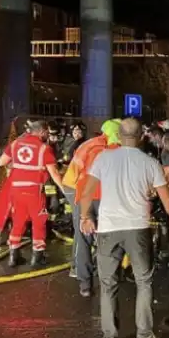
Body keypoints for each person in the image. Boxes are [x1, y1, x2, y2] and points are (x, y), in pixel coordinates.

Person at [79, 118, 169, 338]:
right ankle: (144, 336)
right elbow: (166, 198)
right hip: (137, 228)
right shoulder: (149, 162)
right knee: (143, 282)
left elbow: (87, 193)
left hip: (108, 228)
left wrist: (85, 217)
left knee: (108, 284)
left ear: (118, 134)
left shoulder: (104, 158)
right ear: (141, 137)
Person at [61, 119, 121, 297]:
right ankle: (108, 280)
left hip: (85, 196)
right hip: (108, 200)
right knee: (110, 239)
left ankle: (85, 284)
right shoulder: (122, 150)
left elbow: (73, 175)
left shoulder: (87, 146)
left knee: (83, 239)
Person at [0, 120, 64, 267]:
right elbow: (54, 173)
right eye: (47, 132)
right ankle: (37, 258)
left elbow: (1, 162)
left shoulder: (15, 144)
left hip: (16, 191)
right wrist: (65, 190)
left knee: (18, 221)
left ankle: (13, 256)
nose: (48, 135)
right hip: (34, 191)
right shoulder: (44, 148)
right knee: (38, 222)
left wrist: (16, 166)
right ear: (41, 132)